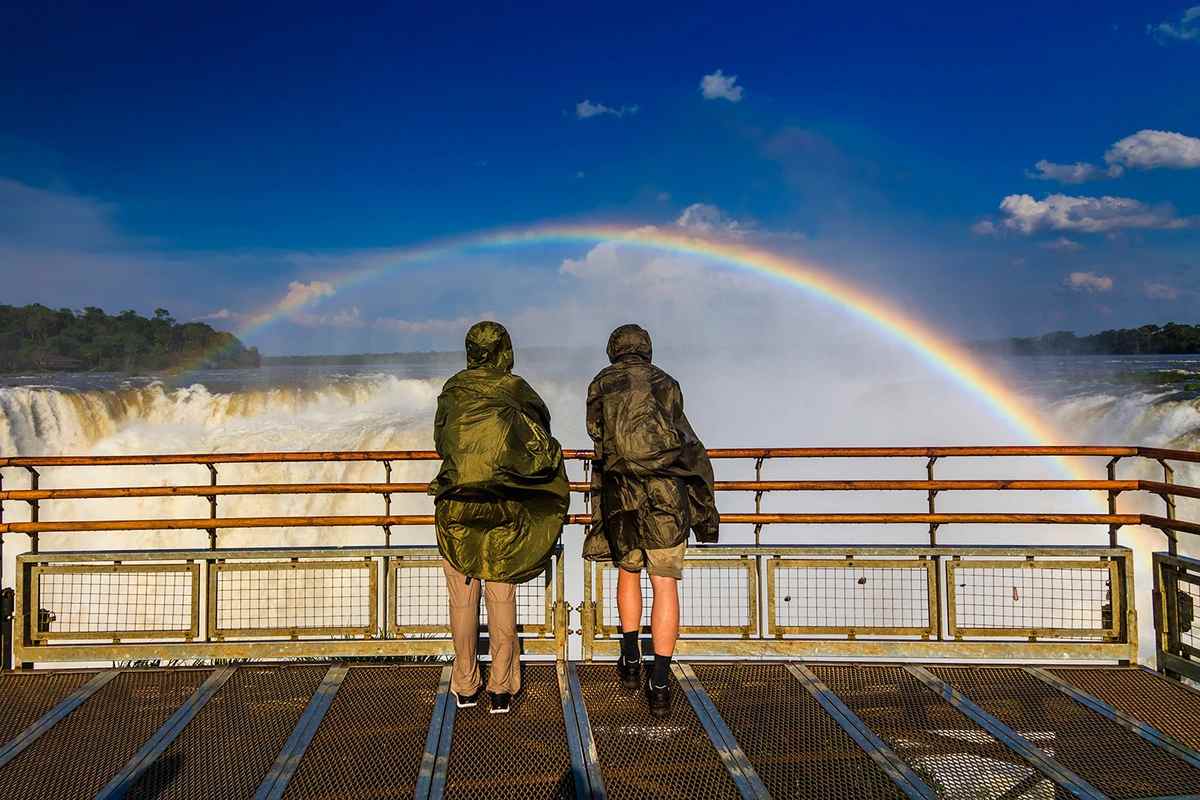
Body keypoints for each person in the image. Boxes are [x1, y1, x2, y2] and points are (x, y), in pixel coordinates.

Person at [429, 321, 570, 714]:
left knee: (462, 600)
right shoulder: (515, 389)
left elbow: (442, 442)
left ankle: (465, 686)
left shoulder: (453, 390)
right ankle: (503, 688)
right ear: (505, 349)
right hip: (504, 506)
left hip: (456, 505)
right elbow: (541, 437)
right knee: (500, 594)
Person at [583, 324, 719, 718]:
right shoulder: (667, 383)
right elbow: (684, 438)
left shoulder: (600, 383)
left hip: (621, 493)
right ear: (646, 348)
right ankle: (659, 682)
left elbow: (596, 431)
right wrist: (705, 513)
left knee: (628, 574)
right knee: (665, 585)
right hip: (665, 497)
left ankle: (628, 657)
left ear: (614, 349)